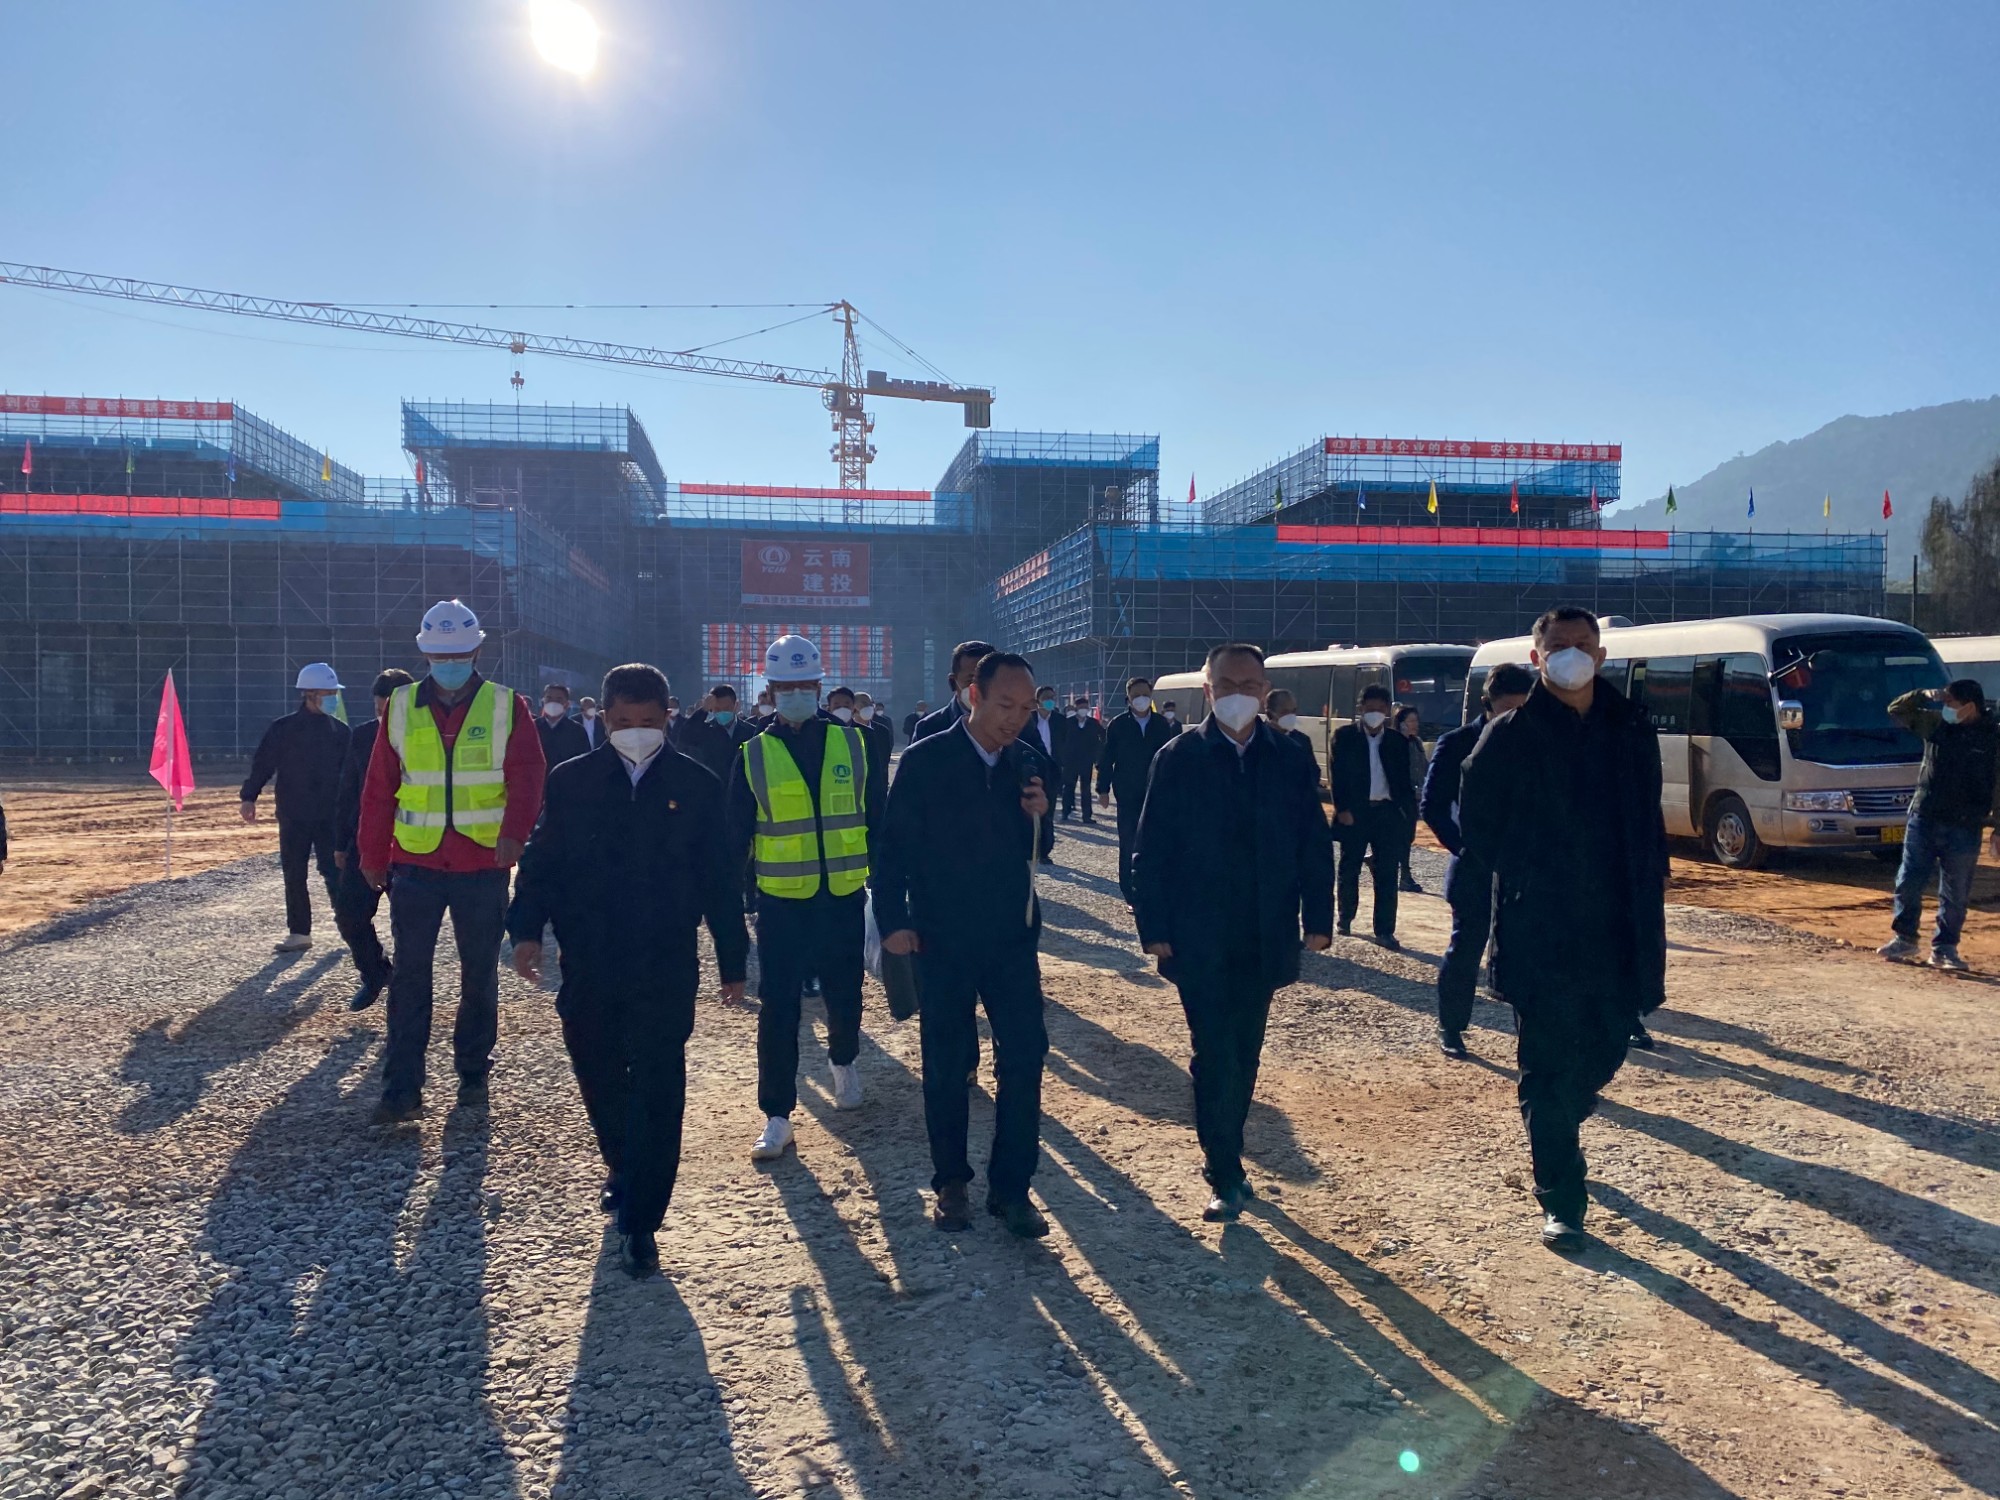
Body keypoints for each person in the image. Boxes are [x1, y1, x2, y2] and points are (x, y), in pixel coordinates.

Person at [508, 664, 749, 1278]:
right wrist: (526, 929)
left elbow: (719, 875)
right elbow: (542, 858)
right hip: (590, 954)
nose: (635, 732)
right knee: (597, 1064)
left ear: (668, 716)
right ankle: (621, 1161)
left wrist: (731, 956)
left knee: (660, 1078)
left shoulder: (696, 783)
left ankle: (642, 1219)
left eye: (647, 721)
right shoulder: (573, 779)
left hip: (665, 956)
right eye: (621, 721)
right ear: (604, 718)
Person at [1459, 606, 1670, 1251]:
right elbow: (1477, 821)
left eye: (1583, 644)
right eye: (1559, 645)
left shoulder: (1630, 726)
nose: (1572, 653)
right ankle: (1561, 1198)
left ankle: (1562, 1111)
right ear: (1538, 657)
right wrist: (1525, 869)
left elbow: (1649, 814)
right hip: (1541, 924)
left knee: (1607, 1046)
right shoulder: (1510, 735)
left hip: (1617, 922)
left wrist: (1651, 877)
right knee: (1547, 1065)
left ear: (1601, 655)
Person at [1133, 644, 1333, 1221]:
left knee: (1245, 1052)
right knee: (1214, 1051)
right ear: (1208, 690)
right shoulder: (1178, 758)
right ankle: (1223, 1169)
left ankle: (1229, 1151)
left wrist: (1319, 918)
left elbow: (1312, 842)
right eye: (1227, 684)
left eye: (1250, 684)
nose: (1239, 694)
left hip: (1264, 928)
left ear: (1265, 689)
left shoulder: (1289, 756)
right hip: (1198, 931)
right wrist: (1154, 925)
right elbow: (1151, 848)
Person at [874, 650, 1053, 1237]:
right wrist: (894, 921)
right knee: (947, 1063)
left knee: (1024, 1056)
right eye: (1005, 705)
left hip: (1010, 939)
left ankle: (1012, 1189)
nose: (1016, 718)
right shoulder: (927, 759)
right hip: (941, 937)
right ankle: (951, 1182)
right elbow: (893, 849)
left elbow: (1040, 847)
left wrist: (1040, 815)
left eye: (1026, 708)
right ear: (973, 696)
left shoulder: (1026, 762)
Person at [359, 600, 546, 1125]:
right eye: (441, 656)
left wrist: (514, 834)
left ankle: (472, 1073)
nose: (450, 663)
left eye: (458, 654)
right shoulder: (399, 706)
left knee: (478, 975)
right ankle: (402, 1089)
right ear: (425, 654)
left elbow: (529, 775)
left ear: (477, 652)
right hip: (415, 864)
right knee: (410, 977)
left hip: (481, 863)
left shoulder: (507, 705)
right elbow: (379, 786)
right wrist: (373, 854)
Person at [728, 635, 888, 1162]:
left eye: (803, 685)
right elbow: (735, 838)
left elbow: (879, 821)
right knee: (778, 1005)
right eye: (785, 687)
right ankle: (777, 1114)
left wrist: (890, 891)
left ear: (818, 686)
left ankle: (844, 1062)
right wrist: (729, 907)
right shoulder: (752, 753)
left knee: (845, 992)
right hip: (781, 902)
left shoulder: (856, 744)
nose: (795, 694)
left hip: (842, 895)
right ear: (771, 689)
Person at [1421, 663, 1534, 1059]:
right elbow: (1432, 806)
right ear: (1487, 703)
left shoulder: (1537, 742)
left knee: (1526, 953)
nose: (1514, 717)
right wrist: (1464, 847)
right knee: (1467, 949)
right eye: (1507, 709)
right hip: (1474, 867)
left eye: (1522, 708)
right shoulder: (1457, 743)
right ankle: (1451, 1026)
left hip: (1523, 869)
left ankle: (1531, 1037)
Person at [1879, 678, 2000, 972]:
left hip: (1965, 826)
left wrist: (1999, 827)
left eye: (1950, 703)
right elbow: (1896, 710)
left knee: (1955, 892)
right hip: (1925, 818)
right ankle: (1905, 938)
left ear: (1969, 707)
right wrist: (1922, 694)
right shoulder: (1935, 725)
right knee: (1909, 881)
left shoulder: (1992, 738)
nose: (1945, 707)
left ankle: (1945, 948)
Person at [241, 663, 353, 954]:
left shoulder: (341, 732)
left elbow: (352, 776)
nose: (333, 698)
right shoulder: (283, 729)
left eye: (334, 693)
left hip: (331, 816)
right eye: (328, 693)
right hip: (294, 815)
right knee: (294, 873)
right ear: (310, 694)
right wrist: (249, 796)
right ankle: (299, 932)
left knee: (335, 872)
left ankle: (351, 928)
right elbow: (263, 765)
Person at [332, 668, 415, 1012]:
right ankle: (375, 972)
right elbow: (348, 789)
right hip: (366, 839)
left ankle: (408, 993)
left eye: (389, 710)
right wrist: (341, 842)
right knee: (349, 915)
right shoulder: (363, 736)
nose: (383, 717)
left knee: (409, 924)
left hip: (412, 841)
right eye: (378, 710)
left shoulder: (426, 736)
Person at [1329, 684, 1416, 949]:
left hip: (1387, 813)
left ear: (1388, 710)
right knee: (1350, 866)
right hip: (1355, 813)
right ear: (1361, 709)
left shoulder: (1397, 742)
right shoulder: (1344, 737)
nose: (1375, 713)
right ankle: (1345, 917)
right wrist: (1342, 809)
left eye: (1380, 708)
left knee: (1387, 871)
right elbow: (1337, 776)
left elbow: (1404, 781)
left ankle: (1385, 929)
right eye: (1370, 708)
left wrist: (1407, 816)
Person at [1097, 676, 1177, 904]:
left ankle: (1152, 887)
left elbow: (1169, 758)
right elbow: (1107, 758)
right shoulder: (1118, 725)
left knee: (1154, 841)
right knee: (1128, 842)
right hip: (1127, 792)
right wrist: (1102, 788)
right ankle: (1130, 892)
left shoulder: (1161, 724)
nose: (1141, 699)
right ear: (1128, 698)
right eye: (1136, 695)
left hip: (1155, 792)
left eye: (1145, 694)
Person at [1018, 683, 1069, 865]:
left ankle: (1044, 850)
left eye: (1052, 698)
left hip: (1051, 770)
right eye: (1046, 698)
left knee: (1049, 810)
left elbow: (1065, 744)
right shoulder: (1028, 719)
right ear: (1037, 700)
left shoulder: (1060, 721)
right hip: (1032, 770)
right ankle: (1029, 846)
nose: (1050, 701)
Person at [911, 641, 997, 744]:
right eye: (972, 680)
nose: (981, 688)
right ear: (952, 682)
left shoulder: (1012, 726)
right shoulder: (928, 729)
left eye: (989, 680)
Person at [1393, 705, 1429, 894]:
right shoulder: (1394, 744)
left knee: (1407, 836)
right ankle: (1405, 877)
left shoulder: (1416, 743)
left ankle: (1375, 859)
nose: (1415, 724)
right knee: (1402, 837)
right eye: (1411, 721)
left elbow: (1424, 767)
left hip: (1415, 797)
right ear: (1401, 723)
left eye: (1416, 720)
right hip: (1399, 798)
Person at [679, 683, 747, 781]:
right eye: (717, 709)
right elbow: (685, 736)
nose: (722, 712)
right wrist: (703, 710)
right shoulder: (705, 731)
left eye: (726, 708)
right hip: (714, 786)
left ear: (736, 705)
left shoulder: (750, 731)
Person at [1264, 689, 1321, 784]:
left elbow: (1313, 773)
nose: (1291, 716)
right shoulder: (1256, 739)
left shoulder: (1302, 740)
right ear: (1270, 713)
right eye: (1285, 711)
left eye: (1293, 711)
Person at [1064, 697, 1106, 821]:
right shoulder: (1068, 722)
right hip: (1070, 760)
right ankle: (1066, 812)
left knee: (1086, 789)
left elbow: (1103, 736)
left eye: (1085, 707)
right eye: (1081, 707)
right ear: (1076, 708)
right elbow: (1061, 739)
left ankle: (1087, 816)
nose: (1083, 709)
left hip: (1087, 760)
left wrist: (1098, 752)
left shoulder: (1093, 723)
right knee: (1069, 787)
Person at [537, 683, 591, 779]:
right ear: (543, 701)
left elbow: (585, 763)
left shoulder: (577, 731)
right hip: (536, 783)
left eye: (559, 700)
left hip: (567, 783)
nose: (553, 703)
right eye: (549, 698)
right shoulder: (531, 727)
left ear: (567, 704)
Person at [854, 691, 894, 764]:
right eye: (864, 704)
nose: (868, 707)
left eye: (871, 704)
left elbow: (884, 758)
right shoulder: (846, 729)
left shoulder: (882, 731)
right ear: (853, 706)